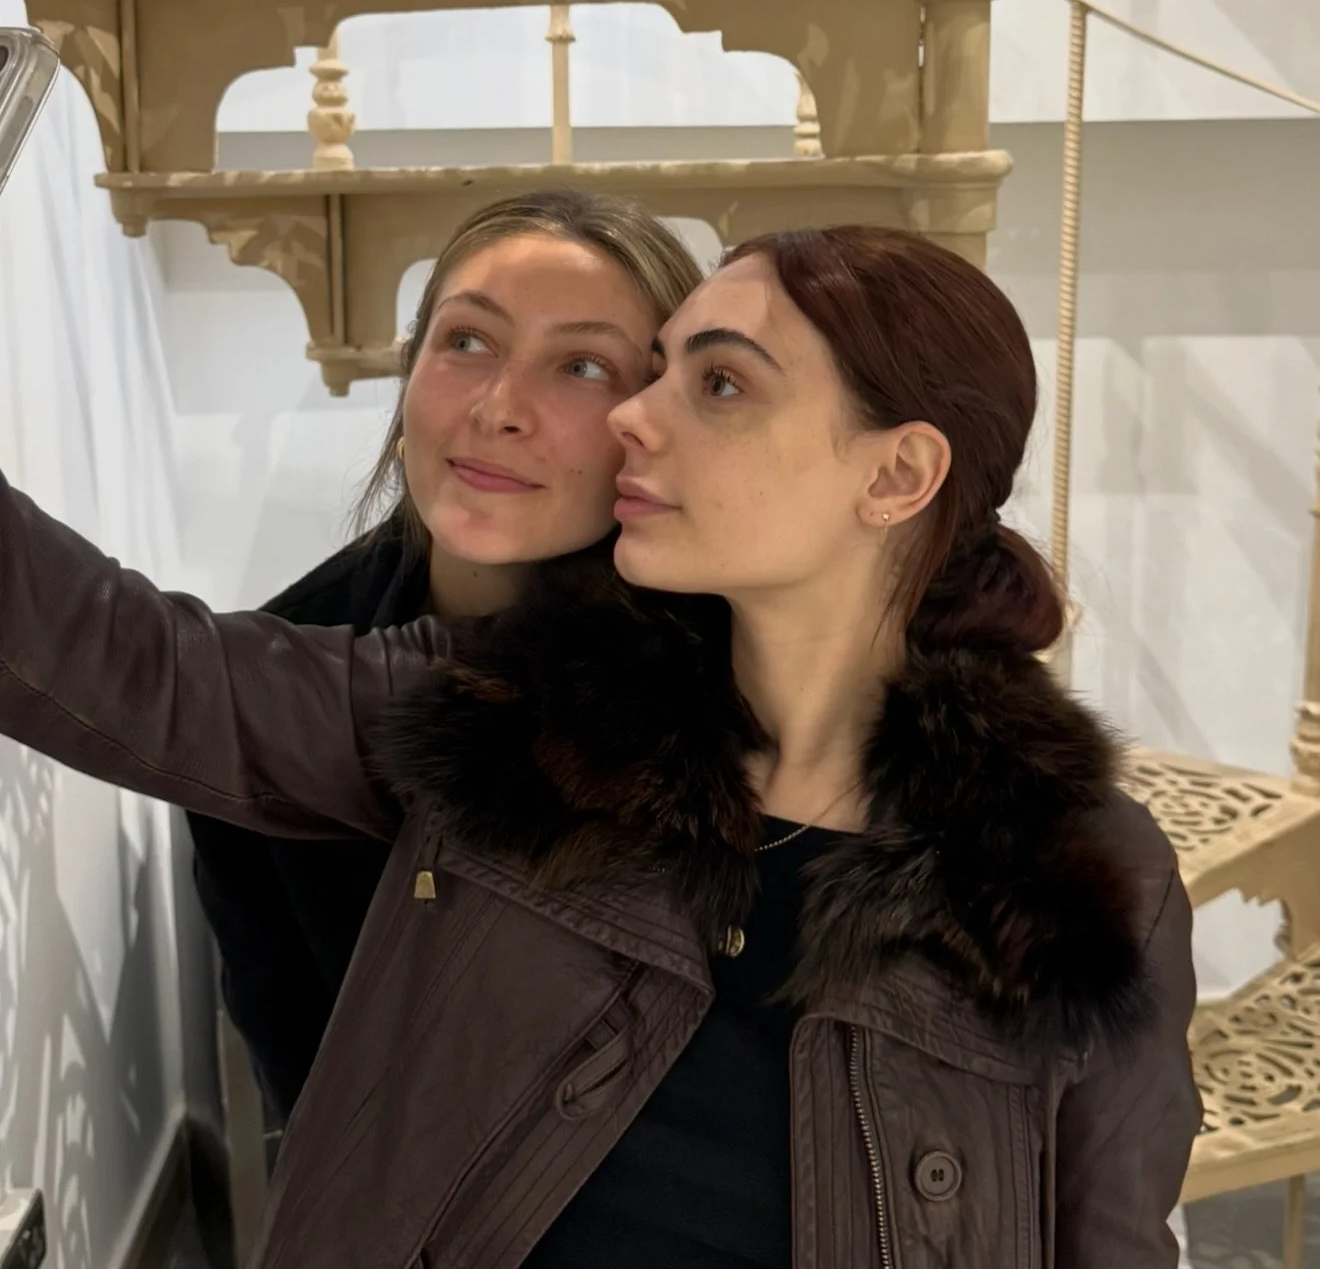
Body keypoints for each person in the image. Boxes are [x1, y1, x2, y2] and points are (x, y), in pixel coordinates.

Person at [0, 225, 1200, 1269]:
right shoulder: (525, 706)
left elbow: (1113, 1241)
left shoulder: (1076, 880)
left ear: (896, 472)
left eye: (719, 383)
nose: (633, 414)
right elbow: (134, 666)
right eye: (660, 367)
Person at [187, 188, 704, 1125]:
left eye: (582, 366)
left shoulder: (731, 668)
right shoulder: (282, 675)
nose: (500, 408)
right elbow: (306, 1083)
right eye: (467, 341)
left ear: (652, 421)